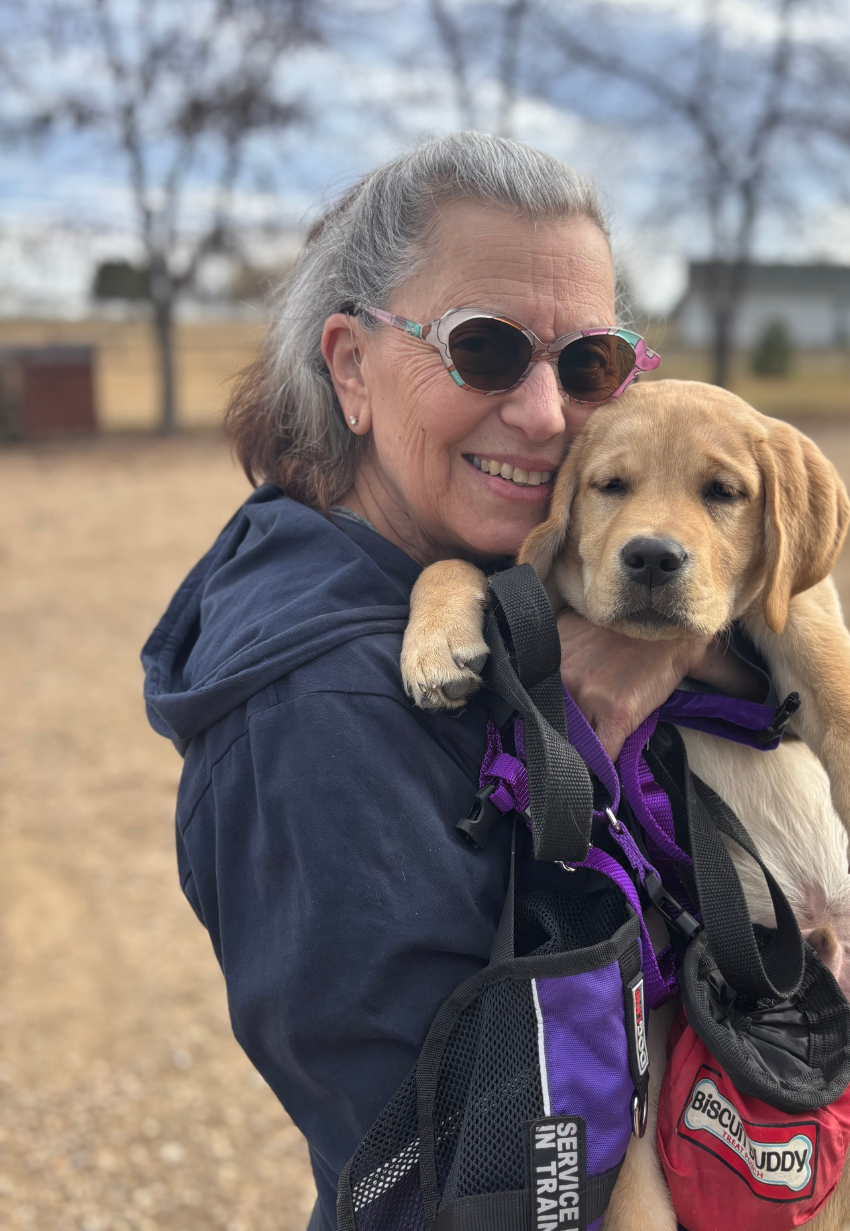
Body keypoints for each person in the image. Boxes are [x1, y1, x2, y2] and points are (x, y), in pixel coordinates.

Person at [142, 132, 763, 1229]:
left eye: (588, 365)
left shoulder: (485, 584)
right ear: (350, 368)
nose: (546, 417)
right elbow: (465, 1175)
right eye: (484, 351)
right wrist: (587, 740)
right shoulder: (315, 716)